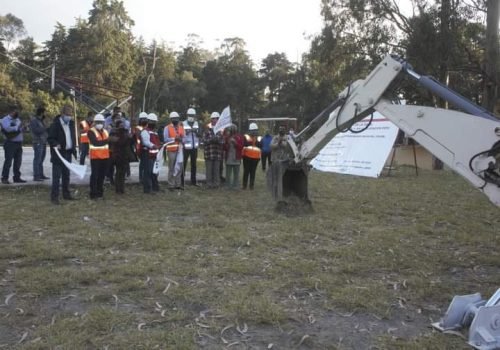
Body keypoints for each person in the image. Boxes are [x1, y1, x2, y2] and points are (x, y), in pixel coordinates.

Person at [47, 104, 77, 204]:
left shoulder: (71, 124)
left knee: (66, 175)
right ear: (62, 114)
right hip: (59, 154)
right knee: (56, 177)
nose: (69, 116)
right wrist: (56, 144)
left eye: (71, 114)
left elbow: (72, 137)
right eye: (67, 114)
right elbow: (50, 138)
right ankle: (54, 197)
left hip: (68, 153)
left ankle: (66, 194)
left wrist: (74, 150)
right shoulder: (55, 125)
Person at [1, 105, 26, 184]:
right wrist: (17, 127)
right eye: (15, 111)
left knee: (18, 161)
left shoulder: (18, 119)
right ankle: (5, 178)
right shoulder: (4, 120)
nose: (17, 113)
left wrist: (24, 128)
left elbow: (19, 130)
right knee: (8, 161)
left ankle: (17, 177)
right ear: (11, 111)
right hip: (10, 143)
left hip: (18, 143)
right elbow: (7, 129)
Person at [88, 114, 110, 199]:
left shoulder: (105, 131)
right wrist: (107, 140)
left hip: (105, 157)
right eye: (98, 122)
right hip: (95, 157)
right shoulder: (91, 131)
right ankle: (93, 193)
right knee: (95, 176)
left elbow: (107, 144)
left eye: (101, 122)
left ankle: (100, 192)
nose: (100, 124)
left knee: (102, 176)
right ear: (95, 122)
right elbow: (95, 143)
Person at [268, 126, 291, 203]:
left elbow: (288, 147)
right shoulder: (275, 137)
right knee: (275, 178)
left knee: (282, 178)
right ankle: (275, 194)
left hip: (284, 161)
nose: (281, 131)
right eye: (280, 129)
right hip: (275, 160)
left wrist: (282, 143)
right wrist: (278, 143)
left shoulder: (287, 138)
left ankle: (283, 194)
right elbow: (271, 146)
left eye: (283, 129)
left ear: (285, 130)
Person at [109, 119, 132, 194]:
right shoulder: (115, 133)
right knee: (119, 172)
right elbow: (120, 142)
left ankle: (121, 188)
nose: (122, 126)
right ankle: (118, 188)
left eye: (123, 124)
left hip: (124, 155)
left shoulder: (125, 132)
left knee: (122, 173)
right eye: (121, 125)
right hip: (118, 155)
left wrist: (131, 137)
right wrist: (128, 138)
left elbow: (129, 143)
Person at [164, 111, 185, 190]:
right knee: (172, 168)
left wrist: (182, 139)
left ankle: (178, 184)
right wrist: (174, 139)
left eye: (177, 118)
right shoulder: (167, 128)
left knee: (179, 166)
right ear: (171, 119)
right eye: (174, 119)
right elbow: (165, 139)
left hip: (179, 150)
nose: (175, 120)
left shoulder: (181, 127)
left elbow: (184, 138)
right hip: (171, 150)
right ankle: (171, 184)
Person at [203, 112, 224, 189]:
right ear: (211, 119)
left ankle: (216, 184)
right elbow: (204, 140)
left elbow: (223, 141)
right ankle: (209, 184)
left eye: (217, 119)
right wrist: (211, 140)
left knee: (216, 170)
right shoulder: (207, 128)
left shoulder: (221, 129)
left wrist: (217, 140)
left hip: (217, 153)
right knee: (209, 170)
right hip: (209, 153)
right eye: (214, 118)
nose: (216, 120)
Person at [140, 113, 161, 194]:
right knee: (148, 172)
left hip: (154, 155)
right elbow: (146, 142)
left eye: (155, 122)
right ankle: (147, 189)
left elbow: (157, 141)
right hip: (147, 155)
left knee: (154, 172)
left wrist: (159, 145)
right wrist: (154, 146)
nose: (154, 123)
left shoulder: (154, 132)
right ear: (149, 121)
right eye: (153, 122)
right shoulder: (145, 131)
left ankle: (155, 187)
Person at [182, 107, 201, 186]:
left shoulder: (197, 124)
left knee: (194, 165)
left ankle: (193, 181)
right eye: (190, 115)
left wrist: (196, 132)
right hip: (186, 147)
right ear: (187, 115)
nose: (191, 117)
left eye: (192, 115)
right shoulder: (183, 123)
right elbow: (181, 134)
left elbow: (200, 134)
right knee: (184, 164)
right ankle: (181, 181)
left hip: (194, 148)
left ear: (195, 115)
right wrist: (188, 131)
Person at [30, 106, 49, 181]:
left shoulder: (42, 120)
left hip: (43, 142)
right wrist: (45, 128)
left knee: (41, 159)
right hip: (37, 142)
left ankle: (41, 174)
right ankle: (36, 176)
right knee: (37, 159)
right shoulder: (34, 121)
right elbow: (36, 130)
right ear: (41, 113)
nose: (45, 114)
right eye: (45, 112)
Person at [242, 123, 262, 190]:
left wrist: (255, 140)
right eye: (253, 130)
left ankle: (251, 185)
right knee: (247, 171)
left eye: (255, 130)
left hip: (255, 157)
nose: (254, 132)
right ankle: (245, 185)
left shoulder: (258, 137)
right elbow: (244, 145)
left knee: (252, 172)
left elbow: (260, 145)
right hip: (247, 157)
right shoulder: (246, 136)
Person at [223, 124, 244, 190]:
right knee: (228, 173)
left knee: (236, 173)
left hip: (236, 158)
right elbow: (224, 147)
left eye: (233, 129)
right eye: (231, 129)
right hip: (229, 158)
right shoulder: (227, 137)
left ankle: (235, 186)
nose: (232, 130)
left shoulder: (239, 137)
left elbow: (241, 147)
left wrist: (235, 143)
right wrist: (228, 144)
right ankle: (227, 185)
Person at [134, 112, 148, 183]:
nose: (144, 120)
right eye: (142, 119)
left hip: (146, 147)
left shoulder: (146, 127)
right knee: (142, 163)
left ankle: (144, 177)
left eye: (145, 119)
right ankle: (141, 178)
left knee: (145, 163)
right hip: (140, 148)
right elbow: (138, 137)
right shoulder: (138, 128)